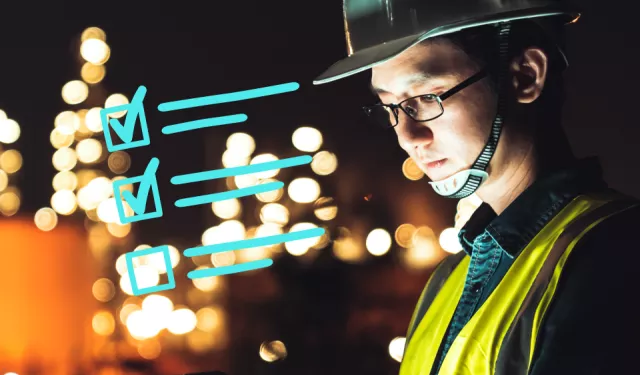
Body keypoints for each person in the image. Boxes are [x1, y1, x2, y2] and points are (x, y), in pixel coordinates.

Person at [313, 1, 640, 374]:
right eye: (390, 107)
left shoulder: (615, 258)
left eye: (425, 98)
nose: (407, 136)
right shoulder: (448, 279)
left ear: (525, 76)